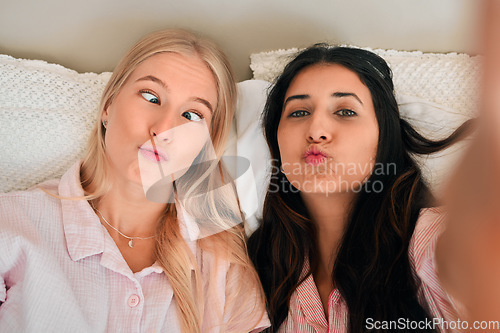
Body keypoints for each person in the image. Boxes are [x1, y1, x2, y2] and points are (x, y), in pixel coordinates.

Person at [0, 29, 268, 333]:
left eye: (192, 115)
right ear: (108, 106)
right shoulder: (11, 226)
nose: (164, 128)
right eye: (151, 97)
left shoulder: (224, 266)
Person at [247, 43, 477, 332]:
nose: (316, 130)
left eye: (345, 111)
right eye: (298, 112)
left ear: (384, 135)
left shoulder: (440, 242)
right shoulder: (256, 265)